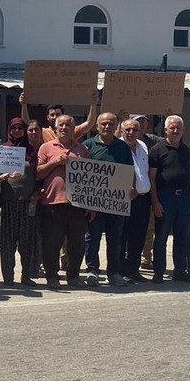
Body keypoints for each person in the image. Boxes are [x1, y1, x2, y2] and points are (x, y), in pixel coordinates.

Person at [37, 114, 90, 286]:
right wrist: (54, 162)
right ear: (55, 128)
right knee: (52, 242)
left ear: (73, 129)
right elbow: (37, 173)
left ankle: (73, 276)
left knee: (77, 243)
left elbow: (91, 179)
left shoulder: (82, 150)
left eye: (68, 125)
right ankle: (52, 276)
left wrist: (91, 205)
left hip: (78, 204)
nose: (64, 128)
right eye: (61, 125)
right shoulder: (45, 147)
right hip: (52, 203)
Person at [84, 112, 135, 287]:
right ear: (97, 126)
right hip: (94, 204)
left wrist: (131, 188)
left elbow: (129, 171)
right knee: (92, 238)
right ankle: (92, 271)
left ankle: (113, 273)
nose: (107, 127)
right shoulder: (88, 146)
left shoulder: (123, 147)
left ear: (116, 127)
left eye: (111, 124)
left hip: (116, 203)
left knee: (115, 239)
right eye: (104, 123)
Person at [149, 115, 190, 283]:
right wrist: (155, 202)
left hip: (185, 197)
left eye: (179, 128)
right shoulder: (156, 150)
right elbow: (152, 178)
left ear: (183, 130)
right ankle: (158, 271)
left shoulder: (187, 151)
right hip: (165, 197)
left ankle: (180, 270)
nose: (176, 131)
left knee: (182, 236)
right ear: (166, 130)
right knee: (161, 237)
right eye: (172, 128)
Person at [0, 117, 40, 286]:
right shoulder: (3, 150)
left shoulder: (33, 151)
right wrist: (2, 177)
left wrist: (37, 193)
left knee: (27, 241)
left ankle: (27, 276)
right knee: (8, 242)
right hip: (9, 202)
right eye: (13, 128)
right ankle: (8, 276)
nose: (16, 131)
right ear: (9, 130)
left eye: (20, 128)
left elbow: (39, 175)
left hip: (28, 202)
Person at [119, 118, 151, 284]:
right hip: (124, 199)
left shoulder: (143, 146)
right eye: (128, 130)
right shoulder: (117, 146)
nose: (131, 133)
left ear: (140, 132)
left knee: (138, 236)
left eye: (135, 130)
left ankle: (133, 270)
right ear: (122, 131)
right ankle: (121, 271)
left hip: (143, 199)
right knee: (122, 236)